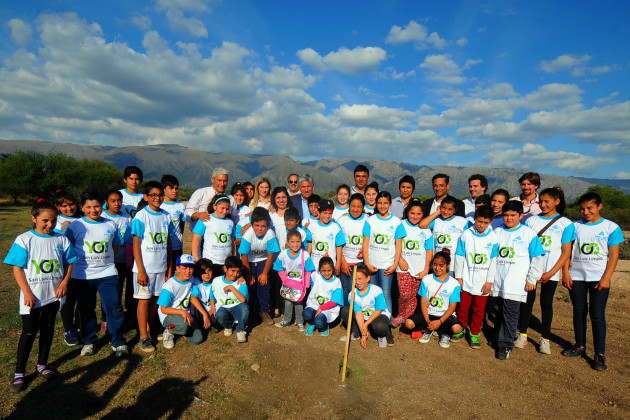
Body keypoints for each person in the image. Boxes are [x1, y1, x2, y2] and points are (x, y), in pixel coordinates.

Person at [4, 200, 78, 392]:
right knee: (29, 332)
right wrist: (27, 292)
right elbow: (17, 268)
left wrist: (64, 283)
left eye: (53, 221)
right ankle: (19, 373)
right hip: (32, 297)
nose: (49, 224)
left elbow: (70, 262)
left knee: (48, 328)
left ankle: (42, 365)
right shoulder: (24, 239)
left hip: (53, 295)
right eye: (45, 220)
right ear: (34, 218)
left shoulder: (61, 239)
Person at [562, 192, 624, 371]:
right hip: (577, 277)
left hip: (599, 278)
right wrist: (565, 273)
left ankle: (599, 354)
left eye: (590, 208)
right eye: (582, 209)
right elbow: (566, 252)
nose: (586, 212)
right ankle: (580, 345)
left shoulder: (611, 228)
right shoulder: (573, 227)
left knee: (597, 315)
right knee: (579, 312)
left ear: (599, 207)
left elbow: (613, 254)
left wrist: (607, 278)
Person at [66, 191, 127, 357]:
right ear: (82, 208)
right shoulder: (75, 226)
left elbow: (115, 246)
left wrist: (106, 262)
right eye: (88, 207)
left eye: (97, 206)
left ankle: (119, 342)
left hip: (108, 272)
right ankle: (89, 341)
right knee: (86, 309)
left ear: (103, 206)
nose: (93, 210)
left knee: (114, 307)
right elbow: (68, 248)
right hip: (83, 275)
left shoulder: (110, 224)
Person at [516, 186, 574, 354]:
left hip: (551, 270)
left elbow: (566, 251)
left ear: (557, 201)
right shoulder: (531, 221)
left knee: (546, 303)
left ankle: (545, 338)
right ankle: (523, 334)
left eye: (546, 201)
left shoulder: (566, 224)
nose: (542, 205)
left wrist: (553, 272)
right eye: (540, 201)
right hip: (531, 270)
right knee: (527, 302)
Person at [492, 201, 545, 360]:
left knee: (510, 314)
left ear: (521, 216)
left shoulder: (528, 234)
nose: (509, 218)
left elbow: (537, 258)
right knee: (497, 310)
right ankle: (500, 335)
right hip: (497, 281)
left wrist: (532, 279)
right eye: (506, 215)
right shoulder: (497, 231)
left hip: (516, 283)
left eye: (513, 215)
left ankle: (505, 345)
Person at [131, 181, 175, 353]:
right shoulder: (141, 216)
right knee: (144, 301)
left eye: (159, 195)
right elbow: (136, 245)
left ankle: (149, 329)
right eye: (153, 195)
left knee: (155, 302)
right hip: (145, 269)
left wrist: (169, 267)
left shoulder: (166, 216)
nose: (157, 198)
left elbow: (168, 243)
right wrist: (141, 270)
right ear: (146, 197)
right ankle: (143, 336)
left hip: (161, 267)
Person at [452, 204, 498, 349]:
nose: (481, 225)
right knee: (463, 307)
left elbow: (493, 262)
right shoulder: (466, 235)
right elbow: (459, 256)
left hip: (482, 281)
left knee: (479, 310)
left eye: (485, 222)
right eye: (479, 221)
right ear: (474, 219)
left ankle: (474, 333)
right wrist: (459, 277)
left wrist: (489, 281)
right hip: (466, 278)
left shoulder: (493, 238)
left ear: (491, 221)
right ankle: (460, 329)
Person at [362, 191, 404, 345]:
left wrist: (394, 264)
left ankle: (386, 329)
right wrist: (366, 262)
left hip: (387, 265)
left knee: (386, 296)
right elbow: (365, 243)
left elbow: (398, 245)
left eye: (385, 203)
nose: (382, 206)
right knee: (372, 295)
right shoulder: (370, 221)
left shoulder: (396, 222)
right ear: (376, 203)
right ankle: (374, 325)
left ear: (390, 204)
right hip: (372, 264)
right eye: (379, 203)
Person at [404, 251, 463, 348]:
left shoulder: (454, 284)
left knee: (457, 329)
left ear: (448, 265)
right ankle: (429, 329)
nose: (437, 268)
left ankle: (445, 333)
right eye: (435, 264)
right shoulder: (426, 279)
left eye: (441, 265)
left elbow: (452, 307)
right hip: (429, 314)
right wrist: (427, 320)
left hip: (445, 316)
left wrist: (440, 321)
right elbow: (423, 302)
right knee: (408, 323)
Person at [393, 199, 433, 330]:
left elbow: (429, 251)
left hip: (419, 268)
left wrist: (426, 269)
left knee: (412, 297)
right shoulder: (401, 225)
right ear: (407, 212)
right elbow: (394, 244)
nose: (415, 216)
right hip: (403, 266)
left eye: (418, 214)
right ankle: (400, 315)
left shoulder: (426, 230)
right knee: (404, 294)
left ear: (423, 215)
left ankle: (407, 321)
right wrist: (399, 260)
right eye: (412, 213)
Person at [158, 254, 211, 349]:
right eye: (184, 268)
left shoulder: (192, 279)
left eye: (191, 267)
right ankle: (169, 332)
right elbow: (163, 309)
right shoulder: (169, 286)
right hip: (169, 315)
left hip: (185, 314)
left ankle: (180, 329)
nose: (188, 271)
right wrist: (182, 312)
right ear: (177, 268)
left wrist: (204, 314)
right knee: (183, 325)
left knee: (197, 339)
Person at [238, 208, 281, 325]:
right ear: (252, 225)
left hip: (263, 260)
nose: (260, 229)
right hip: (249, 262)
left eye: (263, 226)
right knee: (250, 284)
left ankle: (264, 311)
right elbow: (244, 256)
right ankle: (251, 312)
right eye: (257, 225)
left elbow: (271, 255)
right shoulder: (248, 235)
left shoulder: (270, 233)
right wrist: (248, 274)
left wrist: (265, 273)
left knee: (263, 284)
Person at [53, 190, 82, 346]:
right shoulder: (55, 221)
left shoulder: (82, 218)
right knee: (67, 300)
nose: (69, 208)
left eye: (71, 204)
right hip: (65, 268)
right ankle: (68, 330)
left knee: (82, 300)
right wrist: (65, 228)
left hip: (83, 267)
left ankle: (79, 328)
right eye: (64, 206)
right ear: (58, 206)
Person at [102, 189, 133, 333]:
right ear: (106, 202)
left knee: (122, 290)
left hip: (122, 261)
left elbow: (129, 241)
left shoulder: (127, 217)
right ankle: (105, 320)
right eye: (113, 201)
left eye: (119, 200)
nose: (117, 203)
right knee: (109, 293)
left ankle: (123, 319)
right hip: (107, 262)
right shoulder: (102, 217)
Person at [273, 229, 316, 330]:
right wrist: (284, 280)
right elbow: (278, 267)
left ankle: (300, 322)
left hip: (300, 284)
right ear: (287, 243)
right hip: (288, 283)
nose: (295, 244)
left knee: (299, 303)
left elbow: (309, 270)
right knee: (288, 302)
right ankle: (287, 320)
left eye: (298, 241)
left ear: (301, 242)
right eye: (292, 242)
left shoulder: (304, 254)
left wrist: (306, 284)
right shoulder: (283, 254)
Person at [339, 264, 391, 348]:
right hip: (363, 317)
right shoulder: (352, 294)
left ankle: (382, 336)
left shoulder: (376, 291)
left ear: (368, 278)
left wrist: (366, 324)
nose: (357, 282)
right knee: (346, 311)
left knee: (380, 326)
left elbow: (378, 311)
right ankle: (355, 332)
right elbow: (358, 313)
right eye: (355, 279)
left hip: (377, 316)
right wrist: (363, 334)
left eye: (360, 279)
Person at [191, 194, 235, 278]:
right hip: (211, 263)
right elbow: (196, 238)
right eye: (222, 208)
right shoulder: (206, 219)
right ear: (215, 206)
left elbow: (232, 241)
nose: (225, 211)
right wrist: (196, 258)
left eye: (227, 209)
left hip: (226, 263)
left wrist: (233, 259)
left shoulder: (230, 222)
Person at [209, 256, 250, 343]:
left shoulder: (241, 282)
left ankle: (240, 330)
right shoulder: (216, 281)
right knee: (219, 315)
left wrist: (231, 287)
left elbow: (243, 300)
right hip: (224, 308)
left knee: (245, 308)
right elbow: (212, 295)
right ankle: (229, 326)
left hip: (237, 307)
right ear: (225, 268)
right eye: (233, 271)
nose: (235, 274)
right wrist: (212, 307)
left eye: (238, 272)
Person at [185, 168, 238, 232]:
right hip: (199, 235)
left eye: (225, 181)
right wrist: (198, 215)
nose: (222, 184)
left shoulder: (231, 199)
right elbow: (188, 212)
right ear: (212, 179)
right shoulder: (201, 193)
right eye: (219, 180)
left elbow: (234, 218)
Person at [337, 194, 367, 306]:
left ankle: (357, 315)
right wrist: (343, 262)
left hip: (360, 263)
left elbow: (369, 240)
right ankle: (346, 315)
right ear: (349, 206)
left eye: (359, 206)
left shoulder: (367, 220)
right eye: (353, 206)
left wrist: (364, 248)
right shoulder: (341, 220)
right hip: (345, 262)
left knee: (356, 290)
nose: (355, 209)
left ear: (363, 207)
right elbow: (338, 245)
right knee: (346, 290)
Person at [303, 257, 344, 336]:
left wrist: (321, 308)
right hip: (315, 304)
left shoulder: (336, 282)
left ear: (333, 269)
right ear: (319, 270)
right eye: (323, 270)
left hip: (328, 308)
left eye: (329, 270)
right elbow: (306, 272)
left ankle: (324, 326)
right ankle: (311, 323)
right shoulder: (316, 276)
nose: (327, 273)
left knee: (319, 322)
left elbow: (334, 301)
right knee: (306, 314)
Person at [420, 196, 470, 261]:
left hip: (453, 263)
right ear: (440, 207)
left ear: (455, 210)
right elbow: (422, 225)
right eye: (443, 208)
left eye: (450, 209)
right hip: (437, 263)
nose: (446, 211)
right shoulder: (436, 220)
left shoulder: (462, 221)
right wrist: (437, 213)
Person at [306, 199, 345, 274]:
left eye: (330, 213)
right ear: (318, 212)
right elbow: (309, 246)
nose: (327, 216)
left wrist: (338, 264)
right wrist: (307, 261)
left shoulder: (336, 228)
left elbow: (339, 248)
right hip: (315, 266)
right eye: (325, 213)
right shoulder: (312, 227)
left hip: (330, 268)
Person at [160, 175, 186, 275]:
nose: (174, 191)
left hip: (176, 247)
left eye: (176, 188)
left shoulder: (181, 206)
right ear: (164, 189)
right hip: (161, 247)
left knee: (175, 274)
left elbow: (181, 226)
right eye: (171, 188)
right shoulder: (159, 205)